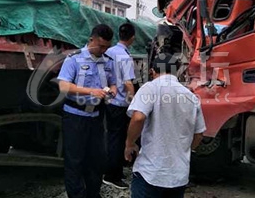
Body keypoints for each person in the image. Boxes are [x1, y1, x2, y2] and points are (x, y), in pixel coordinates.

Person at [124, 53, 206, 198]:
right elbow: (199, 134)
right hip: (178, 176)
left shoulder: (151, 88)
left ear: (153, 71)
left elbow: (138, 118)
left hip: (151, 173)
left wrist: (129, 144)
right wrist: (183, 150)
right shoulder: (191, 97)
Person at [58, 24, 117, 198]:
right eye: (101, 46)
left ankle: (93, 194)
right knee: (75, 161)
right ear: (91, 40)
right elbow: (63, 86)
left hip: (97, 117)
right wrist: (91, 91)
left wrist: (112, 90)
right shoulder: (73, 59)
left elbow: (113, 81)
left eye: (107, 47)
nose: (104, 50)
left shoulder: (107, 61)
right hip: (75, 116)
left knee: (96, 160)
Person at [103, 22, 136, 190]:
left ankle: (114, 170)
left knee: (111, 137)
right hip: (120, 103)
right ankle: (112, 175)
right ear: (132, 38)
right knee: (118, 139)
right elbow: (128, 83)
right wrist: (135, 100)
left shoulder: (109, 51)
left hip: (109, 100)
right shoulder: (124, 56)